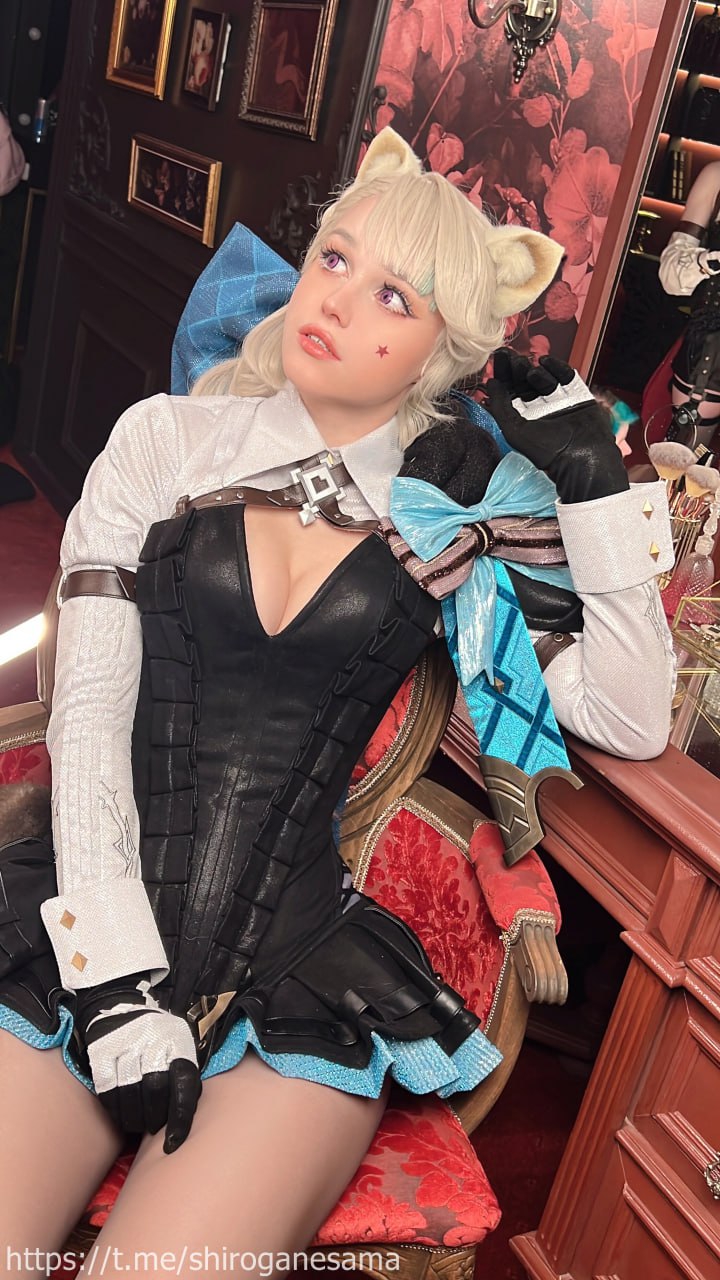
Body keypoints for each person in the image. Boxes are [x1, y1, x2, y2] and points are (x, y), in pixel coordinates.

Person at [0, 128, 675, 1277]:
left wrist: (600, 494)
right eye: (336, 258)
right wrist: (114, 985)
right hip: (78, 933)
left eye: (393, 294)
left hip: (293, 988)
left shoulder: (449, 522)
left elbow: (631, 715)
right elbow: (90, 713)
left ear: (442, 353)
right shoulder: (165, 443)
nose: (340, 298)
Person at [659, 159, 720, 448]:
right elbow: (671, 272)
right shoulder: (716, 176)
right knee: (684, 458)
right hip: (711, 354)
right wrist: (705, 262)